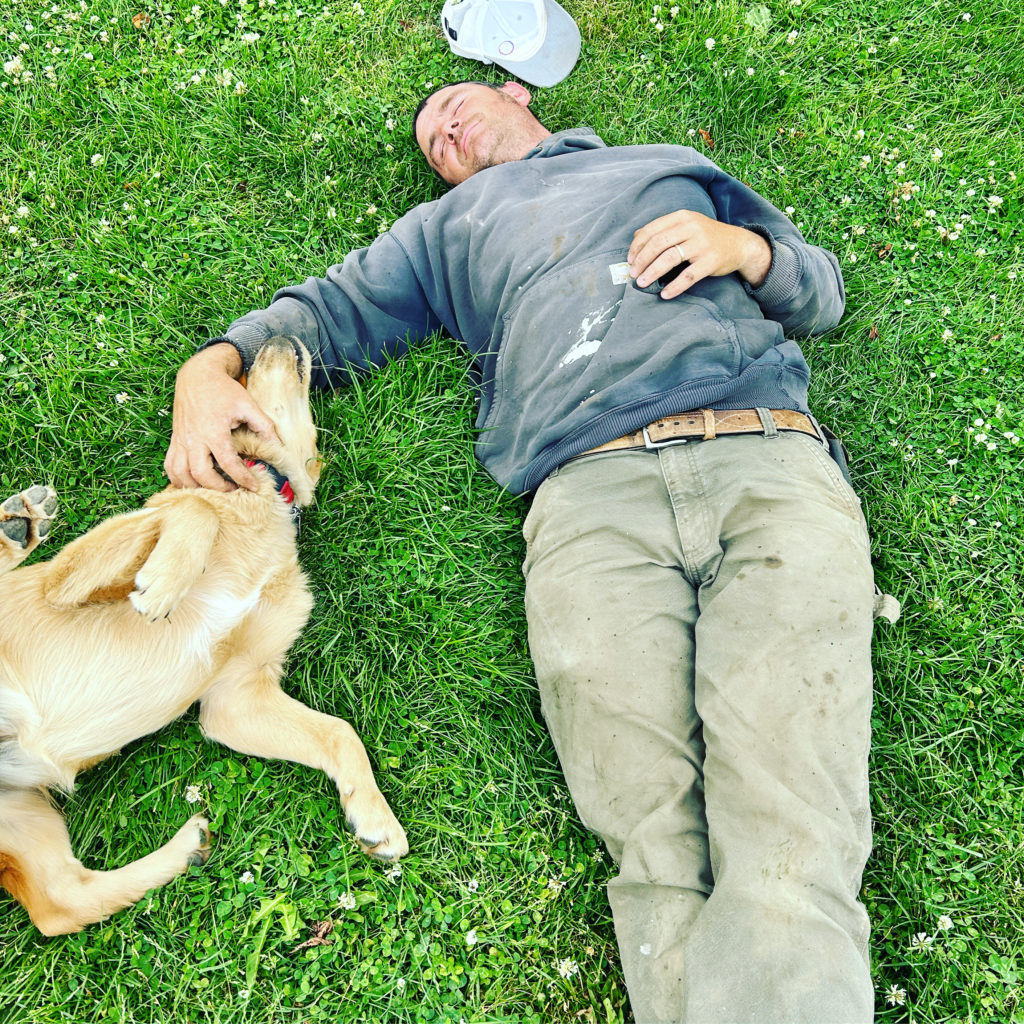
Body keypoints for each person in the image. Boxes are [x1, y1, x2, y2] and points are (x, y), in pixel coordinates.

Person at [166, 80, 891, 1023]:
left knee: (794, 814)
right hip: (589, 502)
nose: (447, 135)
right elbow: (329, 315)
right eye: (432, 140)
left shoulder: (666, 170)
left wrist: (746, 250)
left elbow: (820, 291)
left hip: (767, 459)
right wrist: (208, 365)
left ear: (517, 92)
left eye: (455, 107)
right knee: (652, 842)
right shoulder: (444, 229)